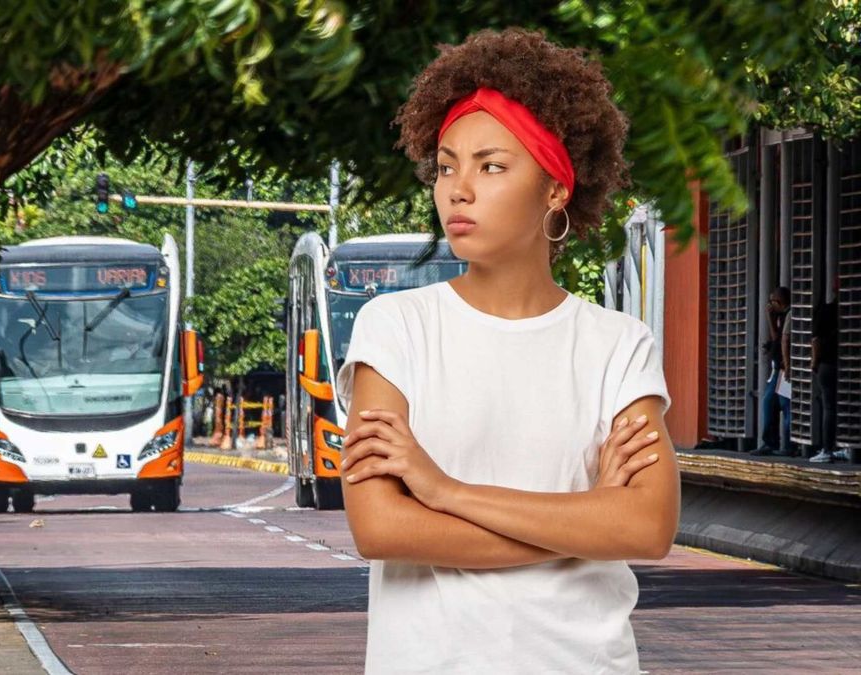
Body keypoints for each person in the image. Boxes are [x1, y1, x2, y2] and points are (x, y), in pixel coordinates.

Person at [334, 29, 677, 673]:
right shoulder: (395, 328)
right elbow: (380, 528)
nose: (457, 189)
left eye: (491, 166)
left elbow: (647, 528)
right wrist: (585, 525)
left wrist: (443, 489)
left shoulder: (618, 346)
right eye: (446, 166)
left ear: (555, 189)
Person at [752, 287, 793, 456]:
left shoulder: (790, 315)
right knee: (769, 402)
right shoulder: (780, 316)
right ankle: (770, 442)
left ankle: (789, 446)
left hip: (785, 368)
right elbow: (776, 338)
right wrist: (770, 318)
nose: (770, 305)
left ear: (779, 302)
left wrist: (788, 365)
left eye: (772, 302)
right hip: (778, 369)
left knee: (786, 405)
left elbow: (784, 340)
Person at [810, 276, 842, 463]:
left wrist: (814, 363)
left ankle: (827, 449)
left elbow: (816, 340)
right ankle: (848, 446)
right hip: (850, 366)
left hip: (828, 364)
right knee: (850, 405)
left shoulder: (826, 310)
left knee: (829, 407)